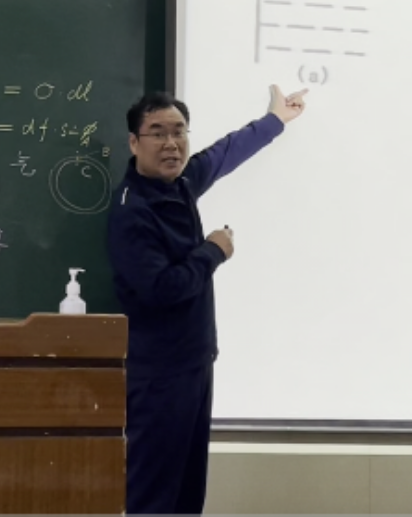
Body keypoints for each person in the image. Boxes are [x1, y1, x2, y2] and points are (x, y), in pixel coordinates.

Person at [106, 85, 308, 514]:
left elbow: (223, 154)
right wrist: (213, 250)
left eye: (179, 131)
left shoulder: (179, 183)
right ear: (134, 142)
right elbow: (162, 289)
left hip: (194, 363)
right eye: (158, 133)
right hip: (158, 375)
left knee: (187, 494)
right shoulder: (132, 211)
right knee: (154, 497)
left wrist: (275, 120)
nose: (171, 143)